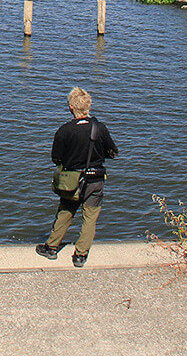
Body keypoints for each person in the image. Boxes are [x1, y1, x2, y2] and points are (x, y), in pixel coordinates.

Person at [35, 87, 118, 267]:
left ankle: (51, 248)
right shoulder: (100, 128)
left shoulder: (64, 131)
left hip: (72, 180)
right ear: (88, 106)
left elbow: (55, 158)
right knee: (90, 218)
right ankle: (80, 255)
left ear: (71, 107)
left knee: (65, 212)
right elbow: (112, 152)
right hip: (95, 180)